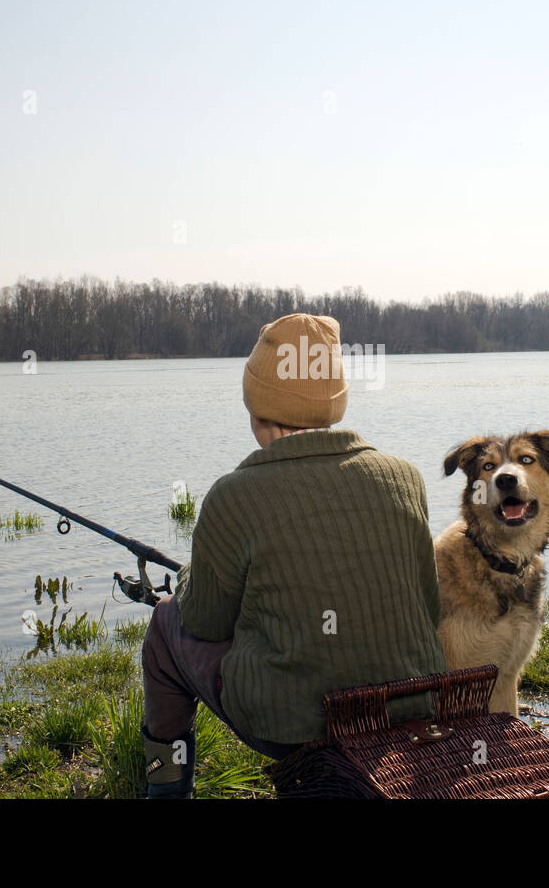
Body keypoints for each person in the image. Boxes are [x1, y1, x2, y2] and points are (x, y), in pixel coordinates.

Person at [140, 313, 449, 797]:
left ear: (256, 407)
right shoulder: (405, 476)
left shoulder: (233, 496)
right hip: (412, 709)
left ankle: (166, 787)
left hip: (292, 726)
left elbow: (201, 624)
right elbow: (429, 608)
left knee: (164, 625)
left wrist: (189, 579)